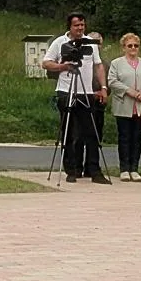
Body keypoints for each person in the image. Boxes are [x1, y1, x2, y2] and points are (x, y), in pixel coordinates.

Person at [42, 13, 110, 184]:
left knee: (91, 132)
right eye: (76, 25)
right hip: (66, 91)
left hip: (86, 92)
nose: (80, 28)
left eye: (82, 25)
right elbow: (46, 63)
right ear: (70, 26)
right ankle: (71, 170)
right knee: (69, 132)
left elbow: (98, 66)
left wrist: (103, 87)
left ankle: (94, 170)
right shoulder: (60, 42)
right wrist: (63, 66)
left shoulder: (90, 43)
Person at [107, 33, 141, 181]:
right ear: (124, 48)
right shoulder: (116, 63)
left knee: (137, 138)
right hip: (124, 105)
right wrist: (129, 91)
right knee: (124, 137)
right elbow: (112, 81)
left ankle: (135, 168)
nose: (133, 48)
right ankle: (124, 169)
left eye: (136, 45)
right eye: (130, 45)